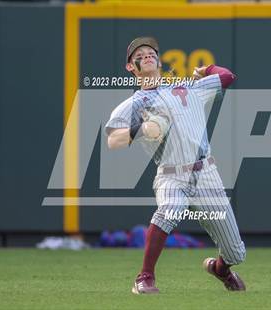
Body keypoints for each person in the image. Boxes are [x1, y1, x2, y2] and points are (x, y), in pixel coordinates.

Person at [105, 37, 246, 294]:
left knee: (237, 252)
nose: (147, 54)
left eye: (151, 52)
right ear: (130, 67)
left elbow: (227, 77)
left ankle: (220, 269)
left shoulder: (186, 87)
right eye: (140, 53)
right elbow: (113, 140)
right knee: (170, 208)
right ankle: (144, 278)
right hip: (171, 175)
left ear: (159, 60)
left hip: (206, 173)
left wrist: (207, 70)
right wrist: (141, 129)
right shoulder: (134, 104)